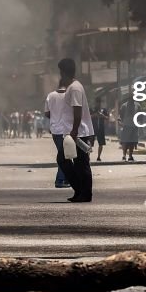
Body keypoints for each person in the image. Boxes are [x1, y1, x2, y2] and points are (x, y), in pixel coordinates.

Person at [57, 58, 95, 202]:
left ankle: (84, 193)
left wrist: (74, 131)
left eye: (60, 71)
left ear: (64, 72)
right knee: (70, 161)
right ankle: (80, 191)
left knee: (80, 163)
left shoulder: (75, 88)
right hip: (73, 132)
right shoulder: (73, 87)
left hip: (78, 133)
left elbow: (77, 111)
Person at [44, 86, 70, 188]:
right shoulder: (70, 96)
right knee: (64, 155)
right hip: (67, 130)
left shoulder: (50, 96)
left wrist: (55, 116)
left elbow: (47, 113)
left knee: (66, 154)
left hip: (55, 130)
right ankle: (59, 180)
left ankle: (68, 179)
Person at [118, 97, 139, 161]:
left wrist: (139, 122)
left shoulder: (137, 105)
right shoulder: (124, 106)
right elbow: (120, 115)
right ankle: (124, 155)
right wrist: (120, 122)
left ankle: (130, 155)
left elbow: (140, 115)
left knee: (132, 142)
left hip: (134, 126)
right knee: (125, 141)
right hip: (126, 126)